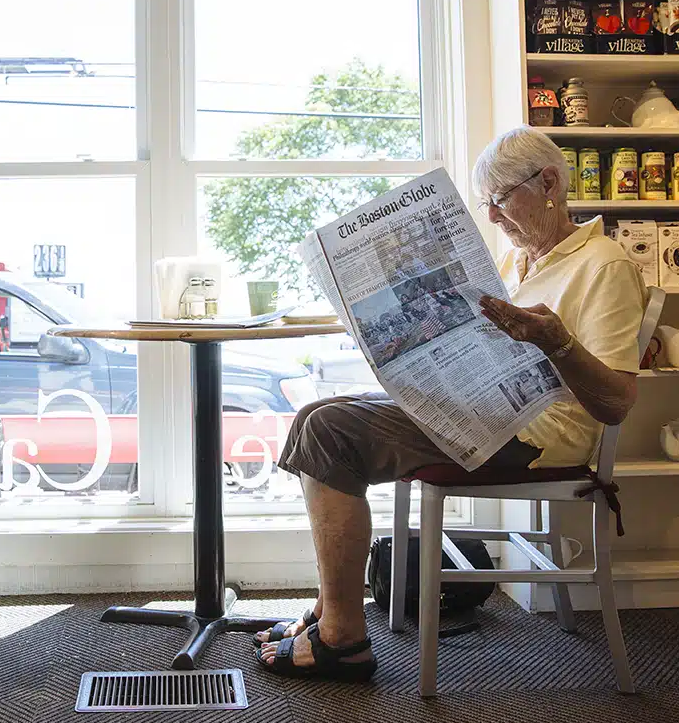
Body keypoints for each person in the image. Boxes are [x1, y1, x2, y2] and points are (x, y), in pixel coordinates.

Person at [255, 125, 646, 682]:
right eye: (484, 204)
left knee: (330, 431)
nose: (492, 217)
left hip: (538, 436)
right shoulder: (517, 263)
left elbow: (617, 403)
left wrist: (556, 341)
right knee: (319, 414)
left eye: (500, 199)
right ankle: (328, 611)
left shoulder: (603, 264)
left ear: (550, 182)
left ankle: (342, 638)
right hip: (488, 413)